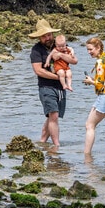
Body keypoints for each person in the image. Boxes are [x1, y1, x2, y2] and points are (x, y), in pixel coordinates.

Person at [29, 19, 78, 147]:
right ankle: (56, 146)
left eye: (49, 35)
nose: (47, 38)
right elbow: (38, 70)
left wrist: (61, 56)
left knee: (52, 116)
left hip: (61, 87)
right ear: (39, 37)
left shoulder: (60, 44)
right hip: (46, 87)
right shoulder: (36, 50)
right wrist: (57, 77)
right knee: (54, 115)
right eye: (44, 36)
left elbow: (74, 61)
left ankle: (42, 142)